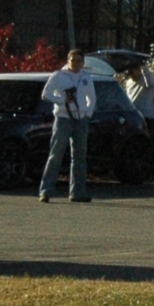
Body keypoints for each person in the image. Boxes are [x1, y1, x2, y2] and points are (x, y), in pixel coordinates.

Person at [38, 47, 97, 203]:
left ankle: (78, 192)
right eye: (73, 61)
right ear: (68, 61)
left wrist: (87, 114)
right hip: (63, 119)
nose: (76, 64)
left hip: (81, 119)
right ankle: (46, 191)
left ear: (83, 62)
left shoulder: (86, 77)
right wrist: (62, 101)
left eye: (79, 61)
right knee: (56, 155)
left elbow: (92, 98)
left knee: (79, 157)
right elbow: (46, 94)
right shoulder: (59, 76)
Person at [122, 59, 154, 127]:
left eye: (132, 70)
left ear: (139, 70)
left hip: (146, 116)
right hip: (134, 116)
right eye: (129, 71)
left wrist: (144, 67)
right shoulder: (128, 82)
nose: (130, 73)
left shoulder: (145, 79)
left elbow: (151, 84)